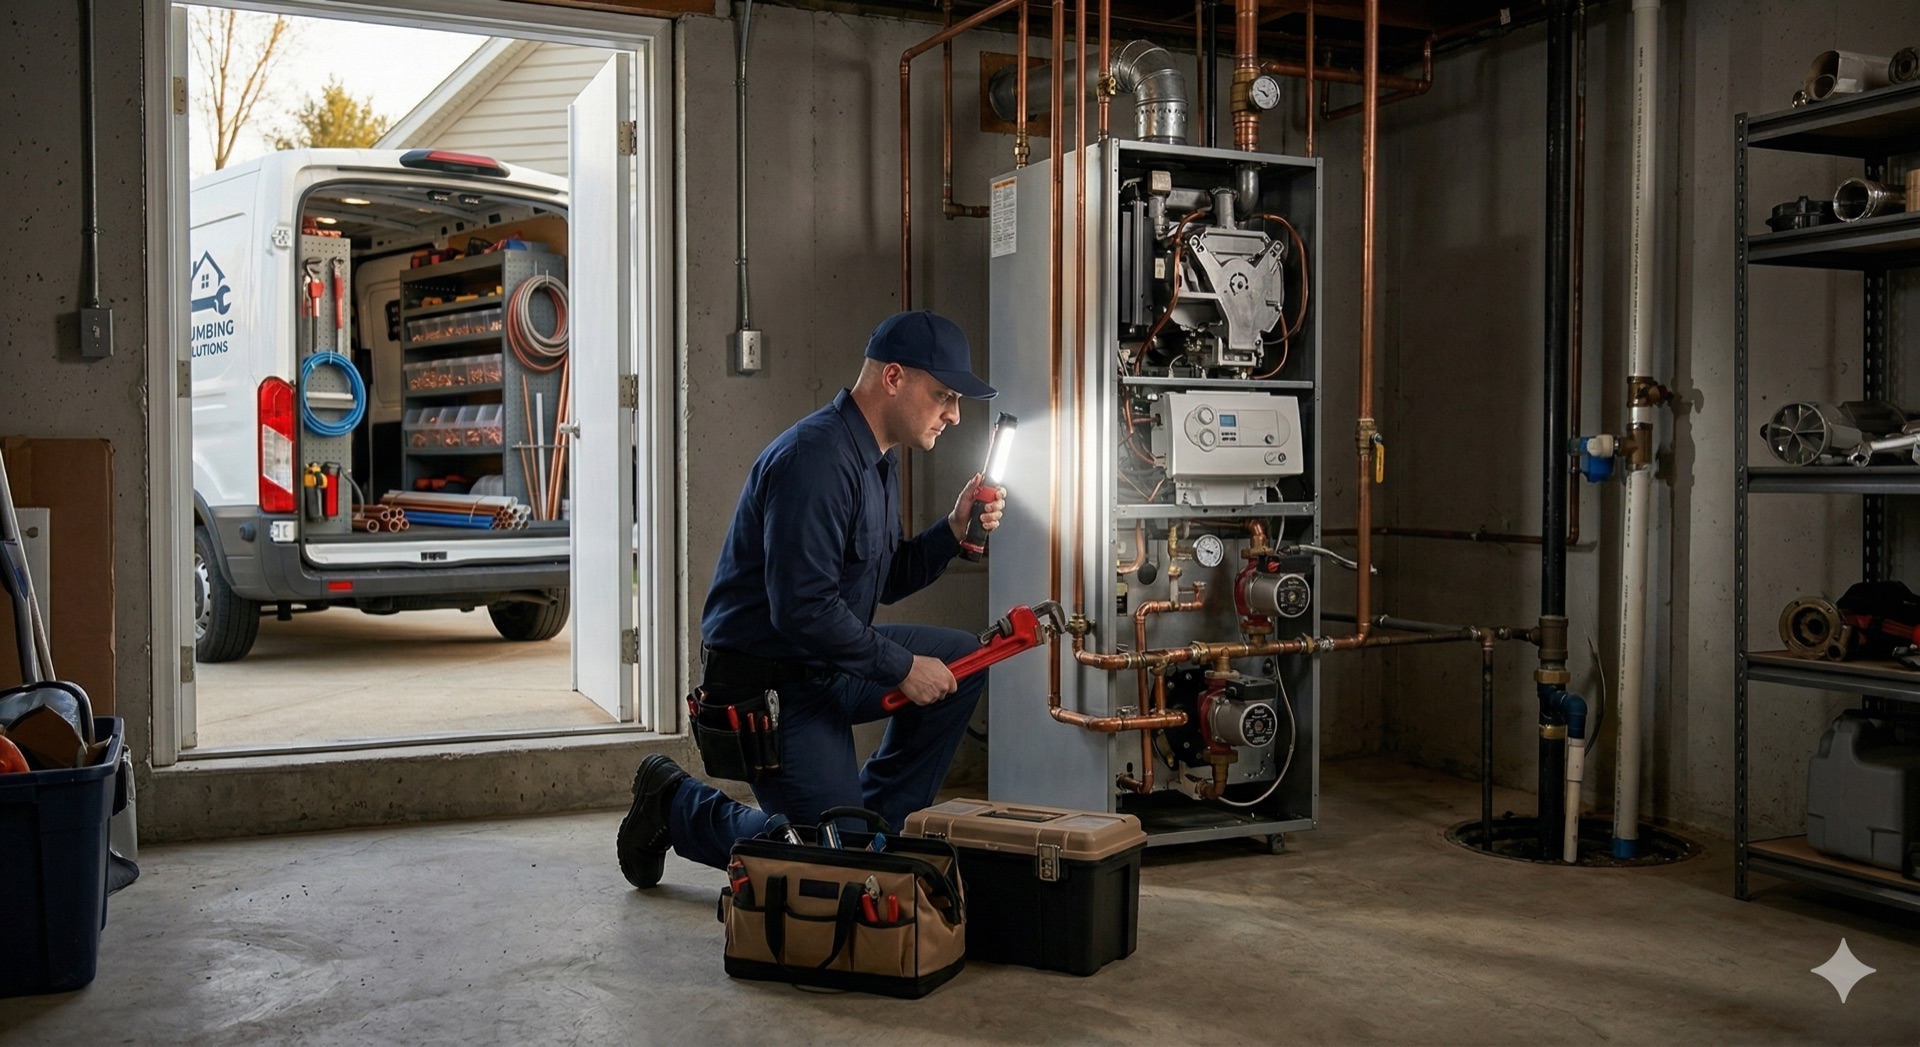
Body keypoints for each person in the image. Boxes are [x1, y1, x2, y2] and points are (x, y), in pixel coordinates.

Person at [616, 310, 1005, 888]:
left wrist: (951, 530)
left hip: (830, 663)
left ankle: (869, 832)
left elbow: (881, 579)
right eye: (944, 395)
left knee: (963, 664)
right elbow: (802, 610)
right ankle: (675, 803)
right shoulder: (815, 459)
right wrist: (902, 667)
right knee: (827, 865)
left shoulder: (878, 458)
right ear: (893, 378)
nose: (954, 414)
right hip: (770, 685)